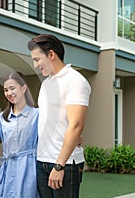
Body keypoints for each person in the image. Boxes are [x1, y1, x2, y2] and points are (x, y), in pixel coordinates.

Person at [27, 34, 91, 198]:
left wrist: (59, 165)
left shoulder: (75, 81)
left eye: (37, 59)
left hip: (65, 163)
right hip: (42, 160)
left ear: (51, 55)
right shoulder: (46, 83)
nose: (35, 65)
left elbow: (76, 125)